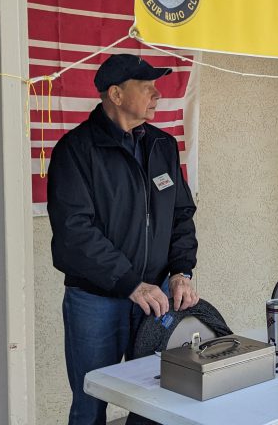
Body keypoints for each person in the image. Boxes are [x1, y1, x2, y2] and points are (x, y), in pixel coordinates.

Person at [48, 53, 200, 425]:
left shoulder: (162, 146)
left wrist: (181, 271)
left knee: (154, 400)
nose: (157, 94)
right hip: (96, 301)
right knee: (90, 402)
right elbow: (74, 234)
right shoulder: (75, 150)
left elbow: (180, 214)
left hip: (156, 300)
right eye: (146, 86)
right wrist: (131, 283)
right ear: (115, 94)